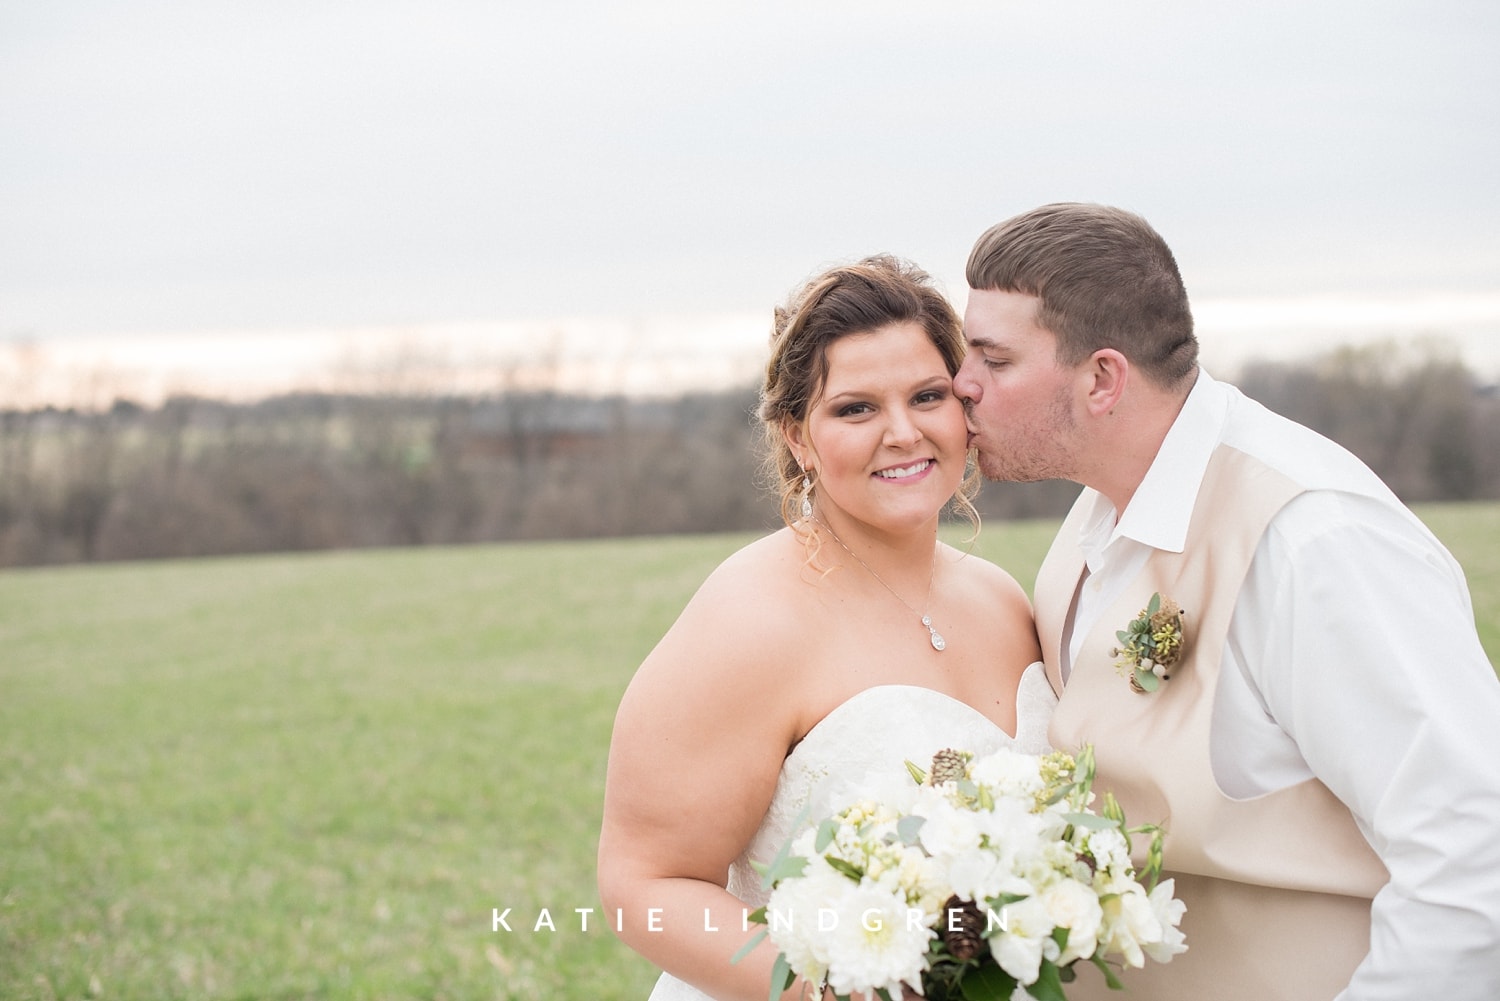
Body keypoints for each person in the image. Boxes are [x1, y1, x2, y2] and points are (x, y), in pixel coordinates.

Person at [954, 202, 1500, 999]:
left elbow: (1472, 852)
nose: (960, 383)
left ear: (1103, 378)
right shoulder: (1091, 518)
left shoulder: (1314, 541)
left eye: (993, 360)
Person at [597, 255, 1055, 1000]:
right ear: (799, 438)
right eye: (856, 408)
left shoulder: (1005, 601)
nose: (902, 432)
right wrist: (834, 987)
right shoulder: (749, 621)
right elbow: (641, 883)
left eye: (927, 395)